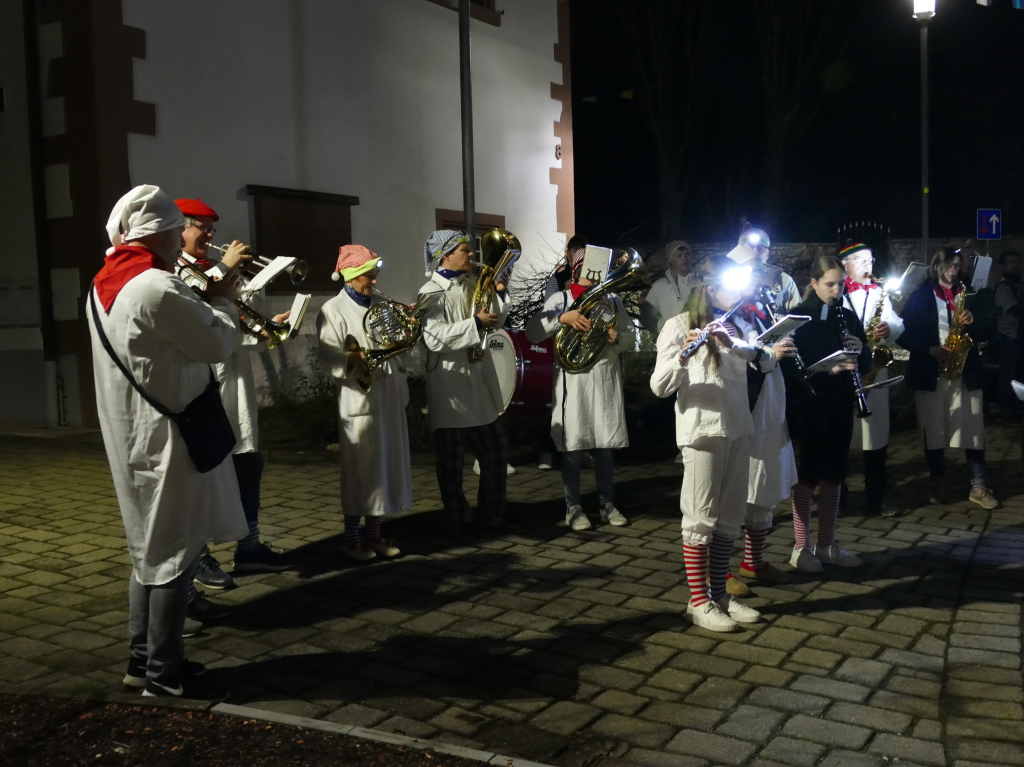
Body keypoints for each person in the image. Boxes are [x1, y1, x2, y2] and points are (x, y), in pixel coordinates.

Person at [89, 185, 245, 700]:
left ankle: (142, 662)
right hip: (167, 437)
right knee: (174, 554)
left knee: (149, 550)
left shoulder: (104, 283)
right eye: (178, 227)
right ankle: (164, 674)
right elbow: (218, 342)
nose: (184, 235)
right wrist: (226, 300)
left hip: (137, 433)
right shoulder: (154, 285)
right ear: (157, 233)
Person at [173, 199, 295, 621]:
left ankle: (250, 545)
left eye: (209, 227)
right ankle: (201, 555)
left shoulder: (212, 270)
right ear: (179, 230)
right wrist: (226, 269)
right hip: (204, 384)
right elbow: (204, 320)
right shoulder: (178, 273)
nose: (208, 233)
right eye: (199, 227)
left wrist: (266, 328)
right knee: (206, 470)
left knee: (248, 462)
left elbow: (233, 321)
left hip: (236, 381)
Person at [650, 255, 774, 632]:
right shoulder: (676, 326)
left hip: (738, 428)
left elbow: (767, 361)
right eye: (730, 285)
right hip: (701, 432)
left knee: (730, 516)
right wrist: (686, 355)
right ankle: (698, 600)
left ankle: (719, 593)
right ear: (708, 287)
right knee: (700, 517)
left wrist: (734, 344)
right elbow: (659, 386)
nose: (738, 292)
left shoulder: (741, 323)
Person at [526, 247, 635, 531]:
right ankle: (572, 507)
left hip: (604, 380)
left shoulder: (612, 299)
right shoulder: (561, 298)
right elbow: (533, 331)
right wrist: (562, 318)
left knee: (604, 445)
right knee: (573, 446)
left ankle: (607, 504)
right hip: (573, 382)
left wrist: (616, 337)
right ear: (576, 269)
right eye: (587, 266)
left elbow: (629, 338)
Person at [318, 245, 412, 560]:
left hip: (387, 393)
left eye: (375, 275)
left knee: (382, 468)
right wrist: (353, 358)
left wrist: (408, 325)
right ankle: (350, 538)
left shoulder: (382, 302)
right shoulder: (332, 309)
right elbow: (328, 355)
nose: (373, 281)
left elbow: (398, 343)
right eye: (367, 276)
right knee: (360, 471)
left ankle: (373, 534)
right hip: (359, 398)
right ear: (351, 276)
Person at [418, 230, 510, 538]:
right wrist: (474, 325)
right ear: (445, 255)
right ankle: (459, 519)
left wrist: (498, 293)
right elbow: (433, 338)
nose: (472, 255)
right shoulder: (430, 292)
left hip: (477, 383)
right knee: (451, 466)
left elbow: (496, 319)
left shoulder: (473, 282)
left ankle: (492, 513)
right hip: (450, 387)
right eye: (465, 251)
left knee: (496, 451)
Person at [786, 256, 872, 572]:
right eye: (830, 284)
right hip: (811, 404)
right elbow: (792, 368)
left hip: (840, 402)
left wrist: (859, 349)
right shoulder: (798, 318)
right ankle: (800, 547)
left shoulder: (846, 316)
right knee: (809, 472)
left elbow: (865, 364)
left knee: (835, 472)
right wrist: (830, 367)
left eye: (840, 284)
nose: (836, 291)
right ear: (814, 283)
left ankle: (826, 544)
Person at [898, 247, 998, 509]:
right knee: (934, 429)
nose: (954, 271)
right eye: (950, 266)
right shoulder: (921, 295)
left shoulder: (970, 294)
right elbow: (903, 332)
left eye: (957, 266)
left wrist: (974, 321)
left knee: (973, 428)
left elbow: (990, 327)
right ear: (937, 267)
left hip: (966, 371)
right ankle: (938, 481)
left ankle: (978, 485)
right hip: (932, 371)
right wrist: (928, 349)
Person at [839, 243, 905, 517]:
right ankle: (837, 498)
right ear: (846, 265)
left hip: (874, 372)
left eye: (870, 259)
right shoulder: (836, 292)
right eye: (862, 260)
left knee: (875, 438)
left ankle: (876, 496)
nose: (869, 265)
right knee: (840, 439)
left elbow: (898, 322)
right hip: (844, 372)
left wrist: (889, 328)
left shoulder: (879, 292)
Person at [736, 226, 801, 311]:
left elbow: (797, 316)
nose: (755, 251)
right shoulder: (727, 278)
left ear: (767, 253)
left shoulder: (784, 281)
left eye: (760, 248)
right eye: (749, 247)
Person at [641, 240, 697, 334]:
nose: (684, 258)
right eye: (679, 255)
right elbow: (647, 317)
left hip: (701, 339)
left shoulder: (701, 282)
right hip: (672, 343)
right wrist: (664, 330)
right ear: (670, 260)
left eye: (687, 254)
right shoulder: (659, 286)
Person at [994, 251, 1020, 419]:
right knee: (1009, 375)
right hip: (1009, 338)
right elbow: (1015, 310)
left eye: (1016, 262)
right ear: (1003, 266)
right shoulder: (1003, 287)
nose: (1015, 265)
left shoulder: (1018, 285)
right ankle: (1006, 410)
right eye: (1010, 262)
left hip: (1018, 338)